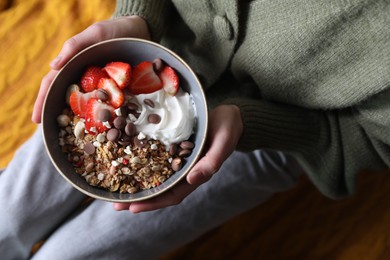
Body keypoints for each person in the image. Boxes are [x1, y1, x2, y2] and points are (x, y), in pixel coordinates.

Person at [1, 0, 389, 258]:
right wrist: (141, 15)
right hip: (151, 57)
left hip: (274, 137)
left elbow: (365, 139)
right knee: (9, 212)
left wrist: (248, 122)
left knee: (72, 254)